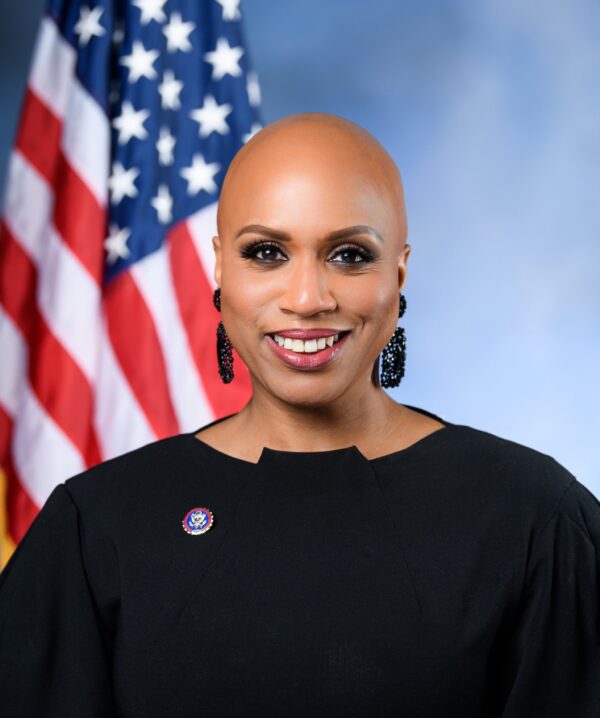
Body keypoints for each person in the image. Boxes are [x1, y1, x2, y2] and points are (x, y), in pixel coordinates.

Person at [0, 112, 598, 717]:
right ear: (219, 266)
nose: (308, 299)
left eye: (349, 254)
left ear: (399, 270)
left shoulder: (534, 520)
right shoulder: (97, 526)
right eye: (266, 252)